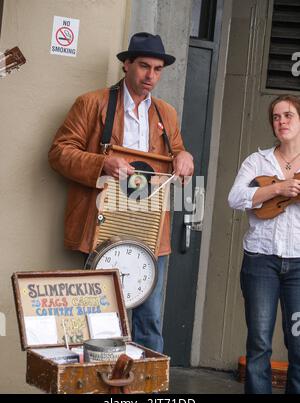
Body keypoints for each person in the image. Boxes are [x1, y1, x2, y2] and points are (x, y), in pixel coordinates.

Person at [48, 32, 194, 353]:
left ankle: (145, 391)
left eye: (157, 69)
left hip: (150, 226)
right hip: (105, 220)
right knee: (99, 315)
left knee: (149, 319)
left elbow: (177, 154)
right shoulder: (93, 103)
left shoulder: (165, 114)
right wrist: (103, 164)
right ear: (126, 64)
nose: (150, 76)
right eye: (144, 66)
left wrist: (184, 157)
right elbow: (59, 153)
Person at [228, 94, 300, 394]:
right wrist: (278, 188)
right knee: (259, 342)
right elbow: (234, 198)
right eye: (276, 117)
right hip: (260, 262)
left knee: (298, 344)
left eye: (288, 115)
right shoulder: (257, 161)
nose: (281, 121)